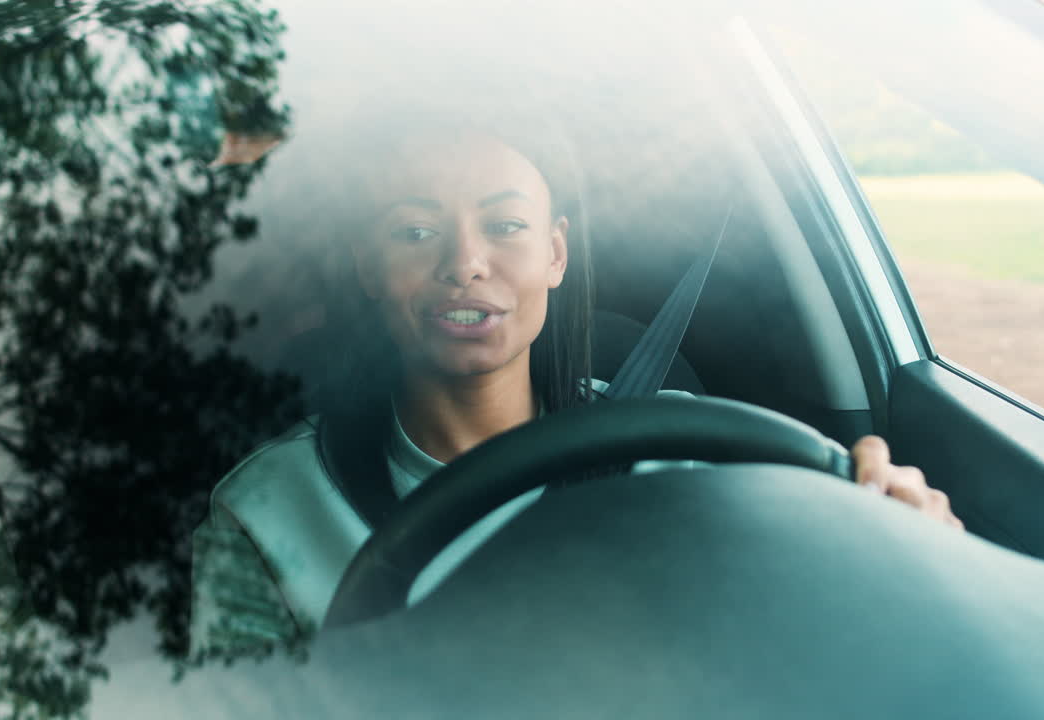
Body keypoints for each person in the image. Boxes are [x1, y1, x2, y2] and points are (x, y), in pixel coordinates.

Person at [189, 124, 962, 659]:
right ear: (368, 266)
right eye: (416, 232)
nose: (465, 263)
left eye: (505, 227)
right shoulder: (266, 510)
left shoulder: (688, 453)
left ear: (556, 254)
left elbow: (813, 641)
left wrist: (908, 553)